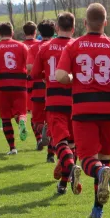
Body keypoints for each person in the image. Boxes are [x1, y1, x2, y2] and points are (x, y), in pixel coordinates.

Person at [56, 3, 110, 218]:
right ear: (106, 22)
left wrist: (73, 77)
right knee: (106, 158)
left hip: (83, 109)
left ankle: (99, 173)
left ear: (84, 23)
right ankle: (97, 209)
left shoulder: (73, 47)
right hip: (109, 109)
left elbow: (60, 75)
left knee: (88, 160)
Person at [32, 13, 76, 195]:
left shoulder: (45, 47)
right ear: (73, 28)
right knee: (73, 144)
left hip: (54, 100)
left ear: (57, 27)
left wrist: (47, 77)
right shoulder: (78, 45)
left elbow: (34, 74)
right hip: (76, 101)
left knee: (59, 141)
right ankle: (64, 184)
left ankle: (72, 167)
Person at [0, 22, 30, 155]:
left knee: (5, 117)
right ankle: (22, 121)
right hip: (20, 85)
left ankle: (12, 148)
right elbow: (29, 66)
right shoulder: (22, 46)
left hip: (2, 86)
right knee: (21, 112)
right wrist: (25, 76)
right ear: (12, 33)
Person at [27, 20, 55, 161]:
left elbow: (30, 67)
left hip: (38, 88)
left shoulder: (34, 48)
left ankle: (40, 133)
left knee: (36, 120)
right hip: (54, 89)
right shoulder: (57, 46)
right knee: (53, 122)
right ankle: (50, 154)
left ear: (38, 32)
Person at [23, 21, 40, 116]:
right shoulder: (40, 45)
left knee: (26, 111)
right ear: (35, 32)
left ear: (24, 32)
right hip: (39, 79)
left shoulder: (21, 45)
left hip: (25, 80)